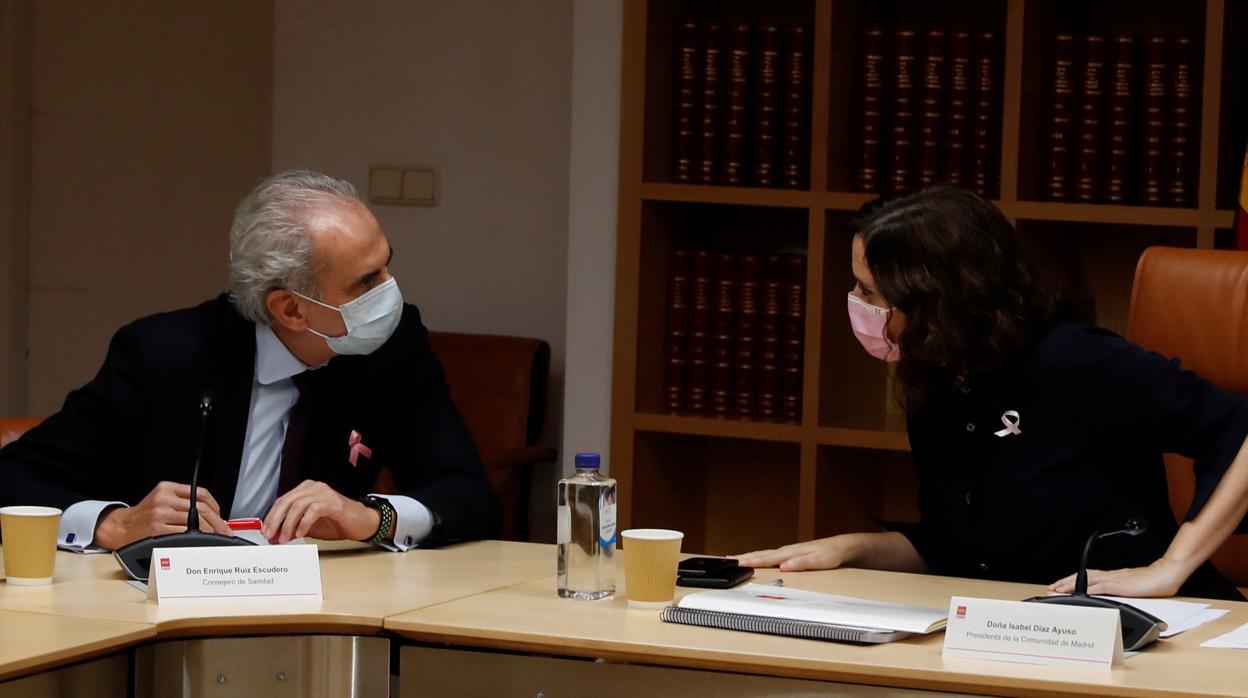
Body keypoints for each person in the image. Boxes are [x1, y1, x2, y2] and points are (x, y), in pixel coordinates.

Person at [734, 185, 1248, 600]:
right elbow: (952, 547)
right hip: (1010, 628)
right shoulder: (936, 375)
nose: (856, 305)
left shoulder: (1076, 359)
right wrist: (848, 548)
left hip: (1140, 624)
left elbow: (1239, 430)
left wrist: (1171, 566)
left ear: (938, 298)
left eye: (869, 292)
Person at [0, 170, 499, 551]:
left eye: (386, 263)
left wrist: (370, 517)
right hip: (164, 617)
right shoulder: (165, 355)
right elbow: (14, 480)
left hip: (321, 613)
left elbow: (468, 495)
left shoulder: (390, 348)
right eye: (365, 283)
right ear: (290, 309)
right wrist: (115, 523)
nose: (390, 292)